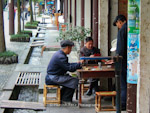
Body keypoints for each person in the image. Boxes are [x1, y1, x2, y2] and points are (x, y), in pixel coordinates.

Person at [111, 14, 127, 110]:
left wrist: (117, 59)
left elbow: (120, 49)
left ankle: (122, 104)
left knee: (123, 83)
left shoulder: (122, 30)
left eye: (117, 24)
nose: (118, 26)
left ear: (119, 21)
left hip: (123, 62)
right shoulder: (131, 29)